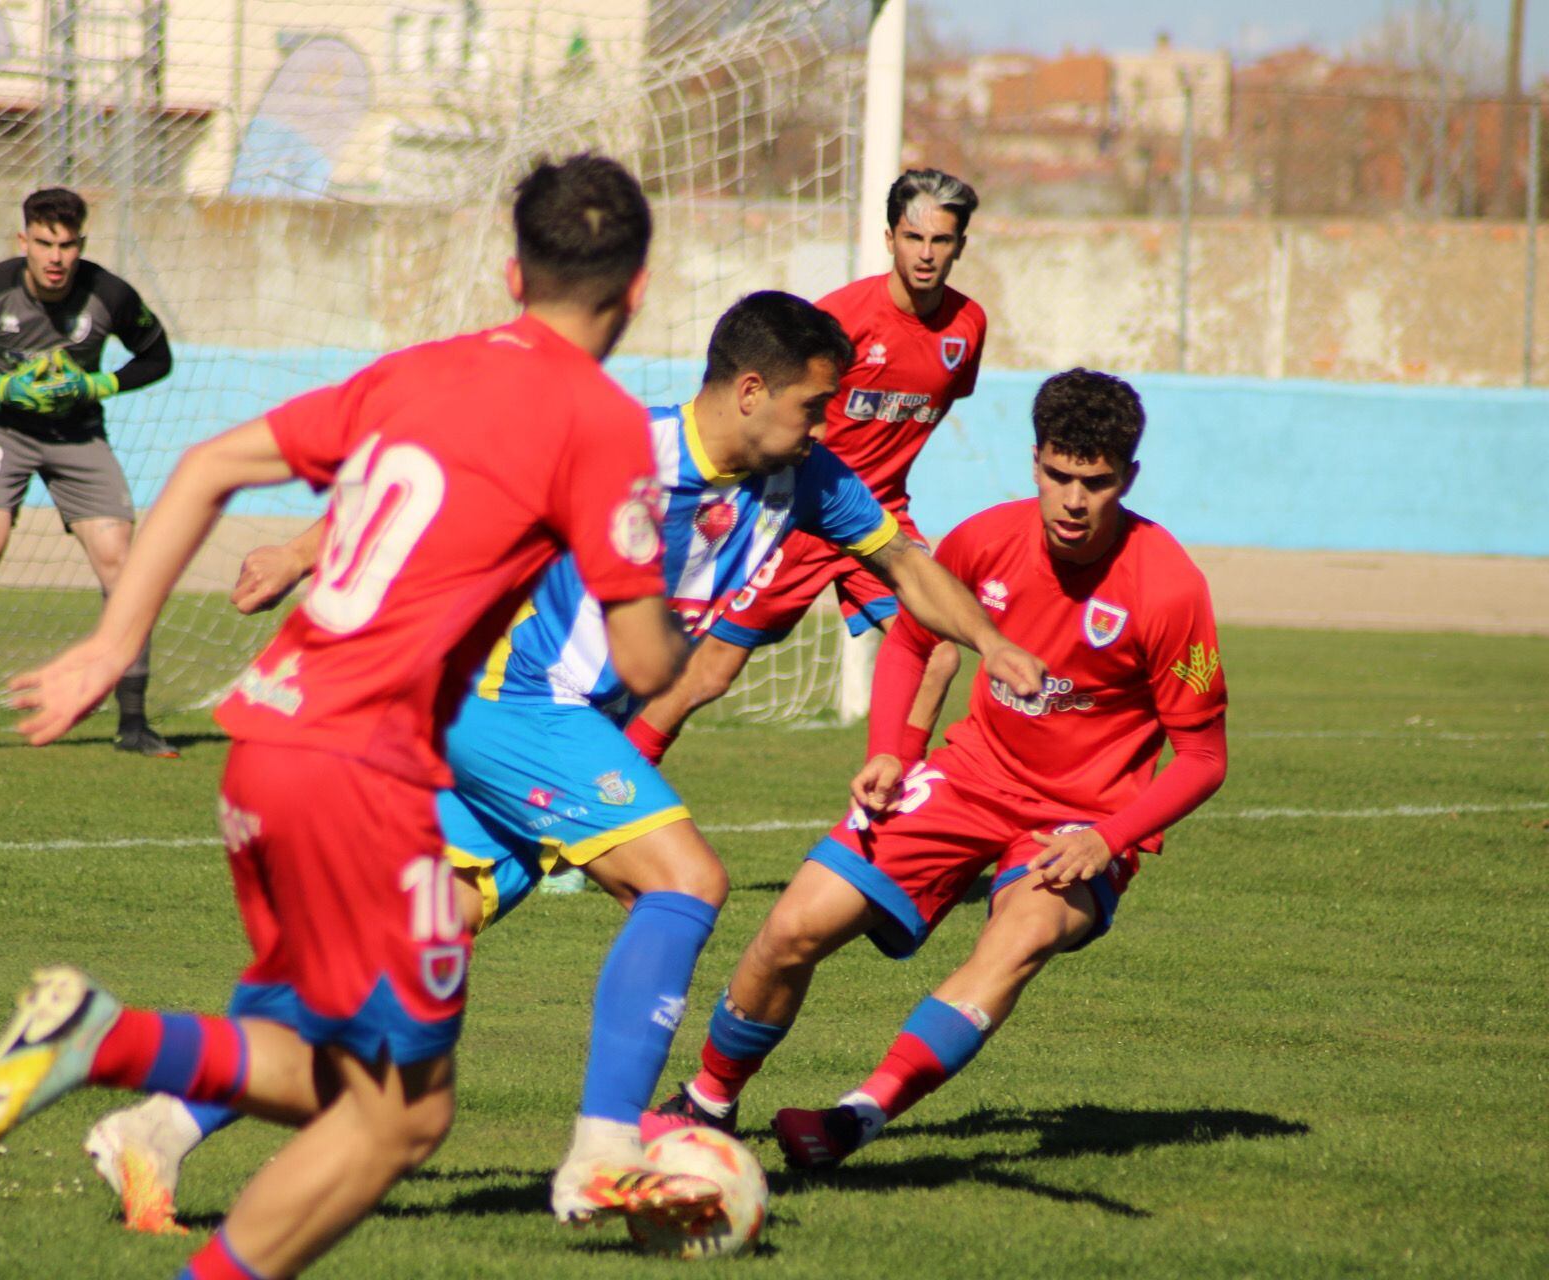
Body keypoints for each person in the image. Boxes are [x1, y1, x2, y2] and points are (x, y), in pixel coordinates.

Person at [79, 291, 1047, 1235]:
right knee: (688, 880)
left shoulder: (811, 478)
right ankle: (603, 1149)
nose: (823, 424)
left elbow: (910, 567)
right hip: (509, 701)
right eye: (811, 405)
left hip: (549, 730)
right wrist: (299, 547)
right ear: (751, 390)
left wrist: (993, 645)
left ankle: (153, 1128)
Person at [0, 154, 705, 1278]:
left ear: (509, 271)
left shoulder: (416, 373)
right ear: (637, 290)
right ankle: (101, 1037)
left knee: (346, 1078)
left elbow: (207, 465)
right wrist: (681, 596)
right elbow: (642, 654)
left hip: (266, 747)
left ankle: (117, 1053)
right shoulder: (601, 424)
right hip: (365, 768)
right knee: (403, 1113)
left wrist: (110, 648)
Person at [645, 368, 1230, 1171]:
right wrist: (893, 749)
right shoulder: (985, 540)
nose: (1072, 500)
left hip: (1080, 822)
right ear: (1034, 462)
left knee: (1020, 935)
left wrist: (1111, 838)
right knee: (793, 925)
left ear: (1127, 479)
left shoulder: (1167, 588)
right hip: (968, 778)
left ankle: (855, 1117)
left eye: (1094, 483)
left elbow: (1202, 757)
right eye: (1058, 475)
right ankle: (706, 1100)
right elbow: (920, 639)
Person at [622, 167, 987, 769]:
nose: (926, 254)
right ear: (890, 237)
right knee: (708, 675)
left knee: (937, 651)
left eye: (941, 240)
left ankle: (884, 807)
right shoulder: (841, 318)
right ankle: (618, 779)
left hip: (878, 515)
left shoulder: (967, 328)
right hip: (798, 511)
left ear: (960, 247)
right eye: (914, 238)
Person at [0, 186, 177, 756]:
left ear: (81, 244)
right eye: (44, 243)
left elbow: (158, 356)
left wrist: (100, 382)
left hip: (78, 435)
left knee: (123, 564)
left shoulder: (109, 293)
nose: (56, 257)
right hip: (0, 431)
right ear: (23, 241)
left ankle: (133, 724)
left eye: (67, 245)